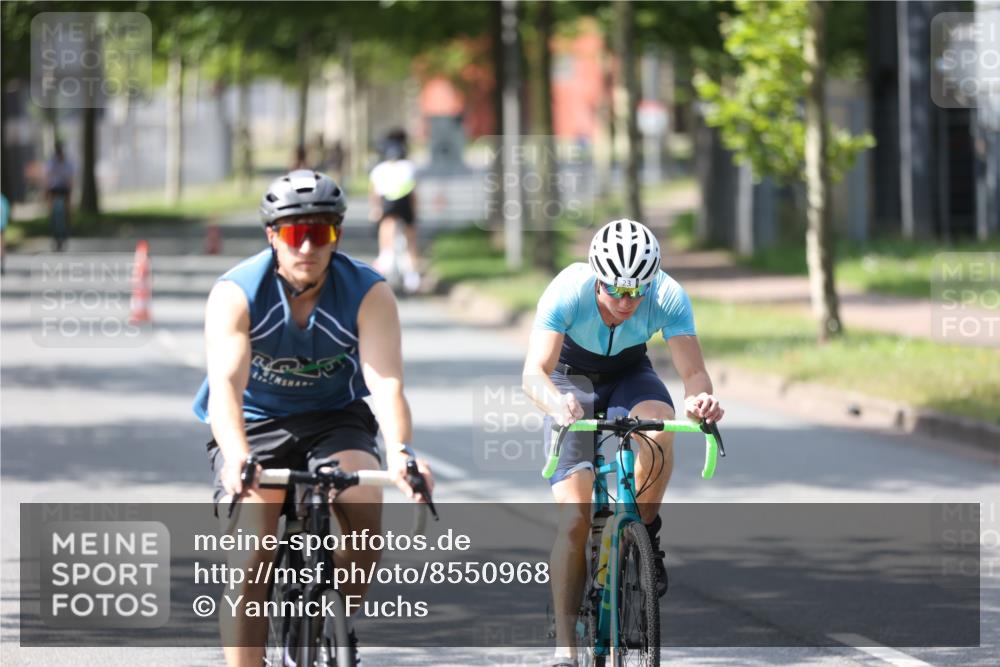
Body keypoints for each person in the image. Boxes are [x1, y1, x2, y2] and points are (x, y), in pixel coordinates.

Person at [192, 169, 434, 667]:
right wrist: (237, 456)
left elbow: (385, 383)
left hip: (335, 418)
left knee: (365, 511)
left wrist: (402, 454)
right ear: (272, 237)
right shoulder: (237, 294)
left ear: (337, 235)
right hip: (255, 420)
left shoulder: (369, 293)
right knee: (251, 551)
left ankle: (331, 629)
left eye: (319, 233)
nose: (306, 247)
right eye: (293, 234)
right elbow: (226, 389)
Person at [521, 219, 724, 666]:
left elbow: (693, 373)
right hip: (569, 379)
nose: (627, 302)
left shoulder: (667, 294)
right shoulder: (567, 290)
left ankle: (644, 533)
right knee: (574, 519)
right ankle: (564, 647)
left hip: (631, 374)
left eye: (638, 292)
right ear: (597, 277)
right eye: (616, 291)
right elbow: (533, 372)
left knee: (659, 427)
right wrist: (556, 406)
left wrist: (701, 399)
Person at [368, 132, 421, 293]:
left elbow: (375, 194)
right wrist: (415, 213)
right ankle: (413, 273)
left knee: (386, 225)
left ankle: (385, 255)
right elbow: (413, 193)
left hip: (388, 204)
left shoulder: (379, 169)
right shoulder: (409, 167)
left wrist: (375, 210)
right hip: (404, 203)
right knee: (410, 236)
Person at [45, 141, 73, 251]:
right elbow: (48, 178)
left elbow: (70, 179)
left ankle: (65, 234)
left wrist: (70, 194)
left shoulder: (67, 163)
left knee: (66, 213)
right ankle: (55, 236)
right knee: (53, 214)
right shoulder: (51, 163)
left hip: (64, 191)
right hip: (54, 191)